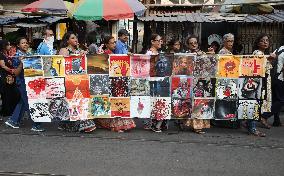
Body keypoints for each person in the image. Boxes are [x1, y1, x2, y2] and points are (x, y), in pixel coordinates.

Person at [95, 35, 136, 132]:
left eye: (115, 42)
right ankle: (114, 124)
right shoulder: (104, 54)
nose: (114, 44)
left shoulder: (114, 53)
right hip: (108, 82)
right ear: (106, 44)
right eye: (112, 43)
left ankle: (117, 123)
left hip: (116, 81)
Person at [58, 32, 96, 133]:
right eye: (73, 38)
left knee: (81, 101)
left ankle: (84, 123)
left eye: (76, 37)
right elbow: (62, 64)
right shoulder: (64, 50)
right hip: (69, 81)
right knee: (72, 102)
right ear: (67, 41)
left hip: (79, 80)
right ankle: (72, 124)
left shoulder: (79, 50)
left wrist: (84, 54)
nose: (76, 39)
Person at [4, 37, 44, 132]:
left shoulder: (29, 54)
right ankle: (36, 125)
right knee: (30, 103)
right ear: (18, 45)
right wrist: (22, 63)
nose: (25, 44)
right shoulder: (17, 56)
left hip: (30, 81)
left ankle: (13, 121)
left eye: (26, 43)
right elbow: (16, 73)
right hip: (22, 82)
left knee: (22, 102)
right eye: (22, 43)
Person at [252, 34, 282, 128]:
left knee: (264, 101)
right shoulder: (257, 53)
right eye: (262, 41)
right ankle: (253, 121)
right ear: (258, 43)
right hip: (260, 81)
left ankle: (255, 120)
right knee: (258, 100)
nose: (265, 42)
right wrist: (269, 59)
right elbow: (258, 67)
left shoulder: (264, 54)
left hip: (265, 80)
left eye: (267, 41)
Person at [184, 35, 211, 134]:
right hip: (189, 82)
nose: (193, 45)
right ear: (188, 45)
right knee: (191, 104)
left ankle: (198, 126)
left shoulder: (203, 54)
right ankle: (193, 124)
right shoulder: (186, 55)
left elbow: (209, 66)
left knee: (200, 104)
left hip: (202, 82)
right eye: (191, 43)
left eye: (195, 42)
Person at [0, 40, 20, 117]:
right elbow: (3, 66)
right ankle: (6, 111)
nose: (10, 46)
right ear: (3, 46)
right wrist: (11, 70)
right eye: (8, 45)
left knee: (10, 94)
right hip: (5, 77)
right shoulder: (1, 54)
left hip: (9, 76)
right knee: (6, 94)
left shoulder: (6, 54)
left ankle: (9, 110)